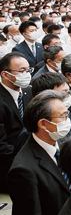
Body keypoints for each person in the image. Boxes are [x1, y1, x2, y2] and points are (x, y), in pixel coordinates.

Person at [7, 90, 71, 215]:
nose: (67, 121)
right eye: (62, 117)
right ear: (43, 124)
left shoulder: (62, 143)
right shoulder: (23, 170)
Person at [0, 52, 33, 189]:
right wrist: (28, 158)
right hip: (9, 166)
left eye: (28, 70)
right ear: (5, 74)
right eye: (21, 71)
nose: (26, 74)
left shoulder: (28, 92)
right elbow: (1, 147)